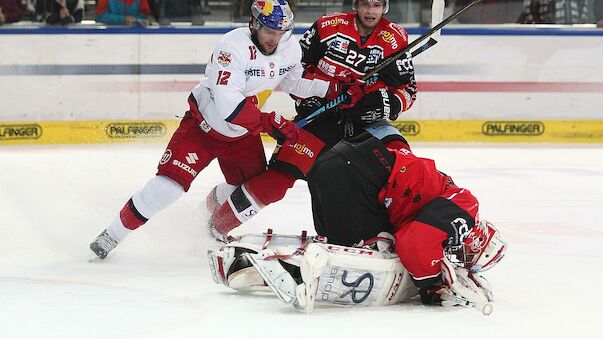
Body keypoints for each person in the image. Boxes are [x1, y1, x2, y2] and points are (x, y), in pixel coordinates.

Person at [89, 0, 334, 260]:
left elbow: (295, 82)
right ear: (254, 23)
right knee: (167, 188)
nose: (275, 38)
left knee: (247, 190)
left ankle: (200, 222)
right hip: (203, 129)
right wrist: (269, 121)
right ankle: (111, 236)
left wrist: (332, 88)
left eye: (280, 32)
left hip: (242, 136)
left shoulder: (289, 49)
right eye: (269, 31)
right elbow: (229, 105)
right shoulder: (232, 47)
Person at [207, 131, 506, 312]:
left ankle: (249, 257)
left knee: (341, 247)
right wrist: (430, 286)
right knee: (361, 257)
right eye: (473, 255)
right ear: (479, 238)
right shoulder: (465, 207)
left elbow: (407, 229)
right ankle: (284, 269)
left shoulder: (447, 199)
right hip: (359, 176)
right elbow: (415, 243)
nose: (463, 257)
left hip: (338, 165)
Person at [207, 0, 418, 241]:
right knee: (277, 180)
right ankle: (216, 226)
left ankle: (403, 237)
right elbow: (291, 68)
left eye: (377, 5)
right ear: (355, 5)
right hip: (321, 116)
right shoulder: (328, 27)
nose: (370, 11)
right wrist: (310, 99)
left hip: (366, 122)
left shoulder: (395, 38)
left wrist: (382, 103)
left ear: (385, 7)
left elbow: (408, 90)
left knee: (403, 166)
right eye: (365, 4)